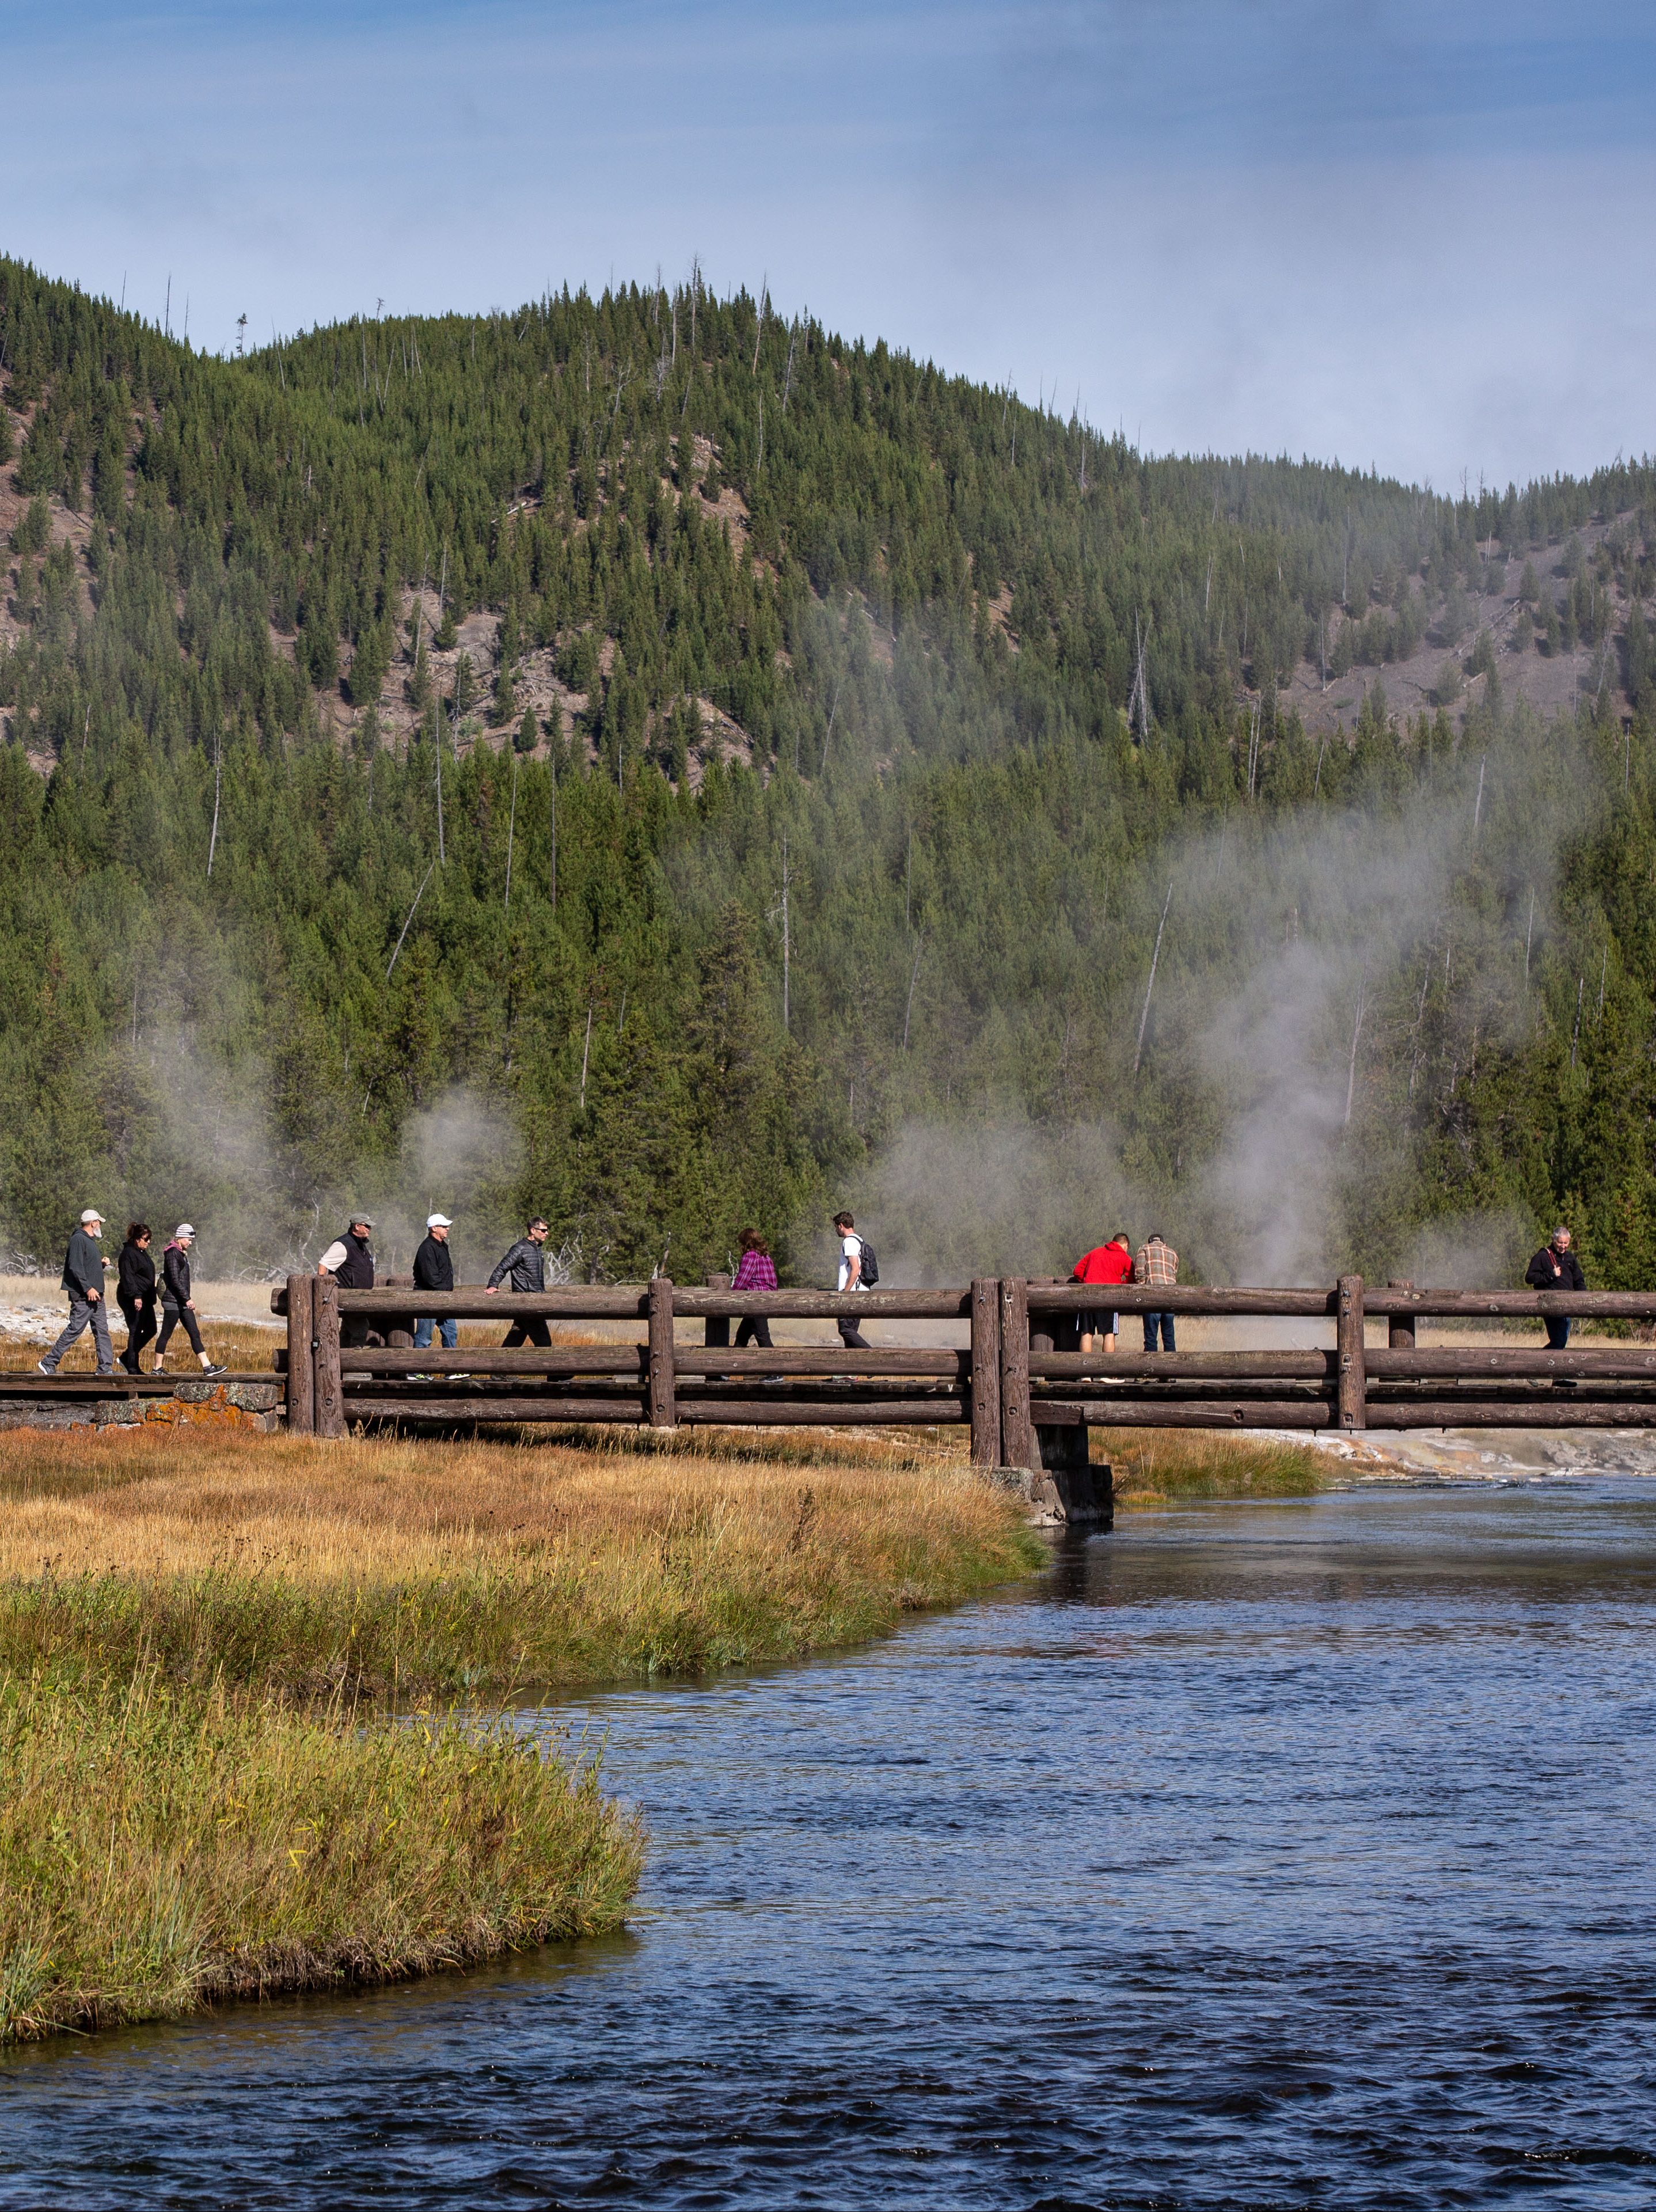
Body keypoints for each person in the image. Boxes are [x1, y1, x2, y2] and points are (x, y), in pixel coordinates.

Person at [39, 1208, 116, 1377]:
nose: (100, 1226)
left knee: (102, 1330)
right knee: (75, 1329)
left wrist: (100, 1265)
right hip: (84, 1295)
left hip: (97, 1296)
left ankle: (105, 1368)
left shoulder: (89, 1240)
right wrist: (88, 1288)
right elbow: (75, 1267)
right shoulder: (78, 1239)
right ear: (93, 1223)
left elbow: (85, 1266)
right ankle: (48, 1362)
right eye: (99, 1223)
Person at [154, 1224, 226, 1375]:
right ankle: (157, 1368)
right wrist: (187, 1298)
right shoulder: (172, 1253)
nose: (191, 1243)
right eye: (189, 1239)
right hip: (173, 1301)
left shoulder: (180, 1253)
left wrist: (185, 1299)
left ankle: (207, 1367)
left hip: (181, 1301)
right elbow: (174, 1279)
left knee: (194, 1333)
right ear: (180, 1237)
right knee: (166, 1334)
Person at [486, 1216, 552, 1347]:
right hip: (527, 1303)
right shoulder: (520, 1248)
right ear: (533, 1230)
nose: (547, 1233)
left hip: (534, 1302)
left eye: (547, 1230)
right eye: (543, 1230)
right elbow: (503, 1267)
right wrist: (493, 1285)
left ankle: (500, 1363)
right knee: (544, 1344)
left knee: (516, 1338)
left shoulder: (538, 1249)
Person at [1070, 1231, 1134, 1359]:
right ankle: (1107, 1372)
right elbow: (1132, 1281)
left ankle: (1085, 1372)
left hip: (1087, 1294)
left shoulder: (1095, 1252)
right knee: (1109, 1333)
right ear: (1125, 1245)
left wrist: (1087, 1281)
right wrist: (1119, 1284)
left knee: (1087, 1332)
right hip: (1110, 1298)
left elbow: (1077, 1271)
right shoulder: (1125, 1258)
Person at [318, 1215, 376, 1348]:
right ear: (357, 1226)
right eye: (367, 1226)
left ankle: (341, 1363)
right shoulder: (342, 1244)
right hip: (348, 1299)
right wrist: (322, 1290)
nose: (370, 1229)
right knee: (361, 1329)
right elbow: (323, 1264)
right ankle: (353, 1364)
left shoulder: (360, 1244)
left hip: (358, 1300)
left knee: (347, 1333)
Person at [1526, 1225, 1585, 1352]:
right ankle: (1540, 1363)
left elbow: (1579, 1280)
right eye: (1560, 1242)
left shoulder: (1570, 1258)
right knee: (1559, 1342)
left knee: (1560, 1343)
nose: (1563, 1246)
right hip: (1550, 1305)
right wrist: (1550, 1275)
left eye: (1566, 1243)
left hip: (1567, 1306)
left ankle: (1546, 1365)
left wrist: (1584, 1298)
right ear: (1553, 1240)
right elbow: (1530, 1278)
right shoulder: (1543, 1256)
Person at [117, 1222, 158, 1374]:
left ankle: (126, 1357)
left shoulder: (141, 1252)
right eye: (146, 1239)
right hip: (132, 1297)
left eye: (149, 1239)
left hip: (146, 1297)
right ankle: (132, 1366)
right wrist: (136, 1296)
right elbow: (128, 1277)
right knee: (135, 1330)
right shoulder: (128, 1254)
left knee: (151, 1329)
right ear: (137, 1239)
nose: (149, 1242)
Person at [412, 1212, 457, 1353]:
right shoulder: (427, 1248)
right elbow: (431, 1278)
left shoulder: (442, 1246)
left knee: (451, 1333)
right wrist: (445, 1291)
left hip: (442, 1298)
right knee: (424, 1337)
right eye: (443, 1226)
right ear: (434, 1228)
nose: (447, 1228)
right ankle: (417, 1371)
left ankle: (451, 1370)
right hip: (428, 1299)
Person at [1134, 1231, 1180, 1353]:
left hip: (1152, 1298)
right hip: (1170, 1298)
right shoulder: (1173, 1253)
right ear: (1164, 1243)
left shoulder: (1144, 1249)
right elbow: (1174, 1273)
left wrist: (1144, 1290)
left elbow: (1139, 1274)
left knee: (1151, 1337)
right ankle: (1171, 1366)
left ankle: (1151, 1367)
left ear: (1150, 1242)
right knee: (1169, 1336)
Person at [732, 1229, 777, 1349]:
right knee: (742, 1335)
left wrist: (729, 1295)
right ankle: (734, 1362)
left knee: (763, 1338)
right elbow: (773, 1282)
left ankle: (775, 1364)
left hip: (756, 1301)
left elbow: (742, 1280)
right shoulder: (766, 1257)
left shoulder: (750, 1255)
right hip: (767, 1299)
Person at [833, 1210, 871, 1351]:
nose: (836, 1230)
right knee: (851, 1332)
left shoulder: (849, 1241)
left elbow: (855, 1269)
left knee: (845, 1329)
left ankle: (872, 1354)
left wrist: (845, 1292)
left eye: (836, 1227)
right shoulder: (859, 1240)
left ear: (841, 1225)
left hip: (852, 1294)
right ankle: (852, 1371)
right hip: (860, 1292)